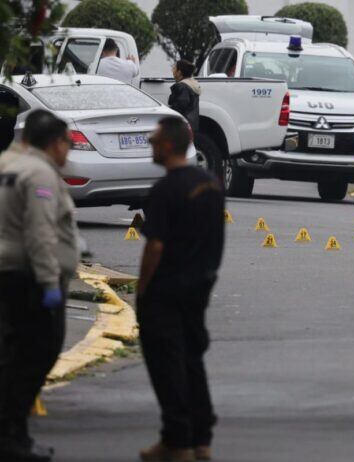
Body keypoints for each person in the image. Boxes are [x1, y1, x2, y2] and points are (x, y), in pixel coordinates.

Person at [137, 116, 224, 462]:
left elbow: (154, 247)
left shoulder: (164, 191)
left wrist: (142, 291)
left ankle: (177, 440)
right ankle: (201, 439)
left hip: (166, 291)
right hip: (200, 285)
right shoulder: (211, 185)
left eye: (154, 140)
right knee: (192, 359)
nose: (150, 145)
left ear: (169, 145)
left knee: (167, 364)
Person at [0, 110, 78, 462]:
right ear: (55, 142)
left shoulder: (7, 163)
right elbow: (41, 234)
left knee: (10, 354)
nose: (69, 152)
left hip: (8, 275)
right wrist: (49, 283)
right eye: (68, 144)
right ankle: (12, 435)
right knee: (37, 355)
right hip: (28, 278)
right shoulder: (41, 175)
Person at [169, 60, 201, 133]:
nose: (172, 71)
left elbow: (180, 107)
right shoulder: (192, 84)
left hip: (181, 127)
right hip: (191, 126)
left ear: (179, 72)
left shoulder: (182, 86)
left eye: (174, 68)